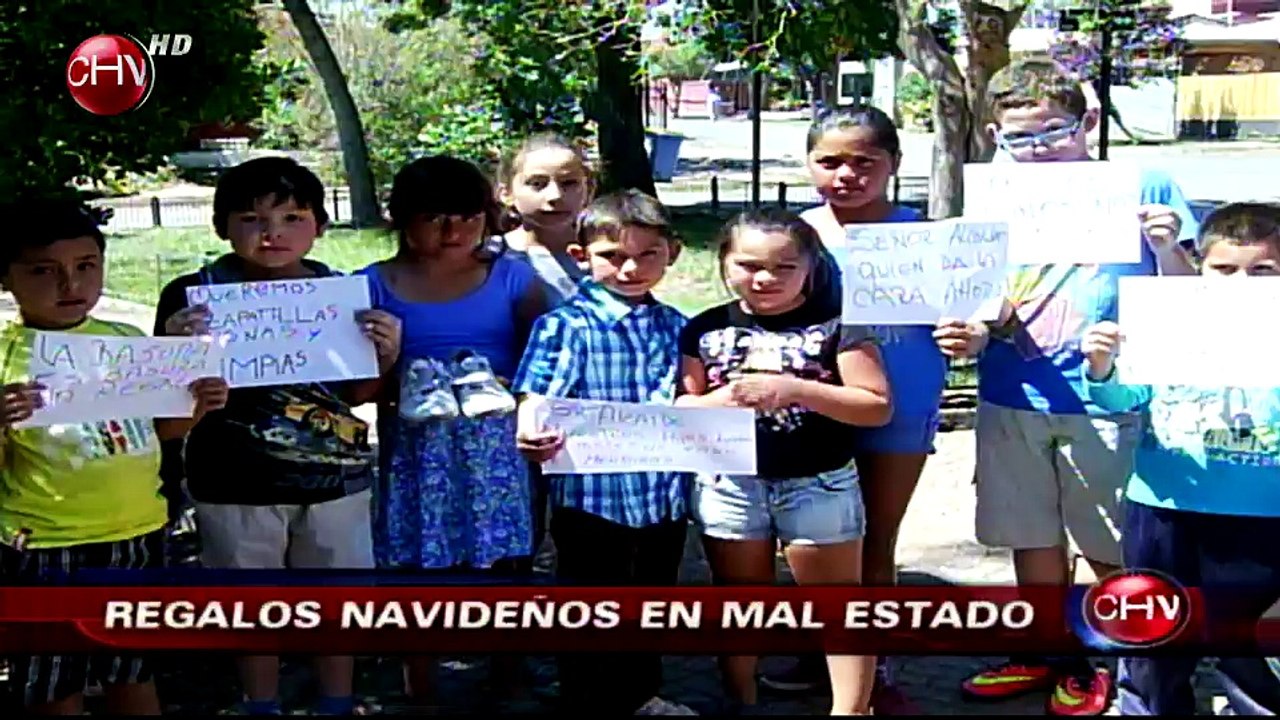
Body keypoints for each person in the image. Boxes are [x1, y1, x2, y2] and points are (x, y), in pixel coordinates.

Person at [937, 59, 1199, 716]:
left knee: (1113, 544)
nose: (1037, 151)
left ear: (1085, 123)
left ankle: (1119, 659)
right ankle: (1048, 650)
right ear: (997, 136)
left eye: (1052, 132)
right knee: (1031, 537)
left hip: (1109, 400)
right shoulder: (994, 194)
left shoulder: (1147, 183)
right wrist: (973, 331)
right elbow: (984, 295)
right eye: (1017, 139)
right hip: (1010, 395)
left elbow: (1194, 293)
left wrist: (1168, 248)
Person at [154, 157, 398, 716]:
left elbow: (360, 393)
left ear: (320, 225)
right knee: (249, 602)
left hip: (335, 478)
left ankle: (337, 698)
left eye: (292, 216)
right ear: (220, 226)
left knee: (336, 600)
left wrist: (385, 352)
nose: (272, 233)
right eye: (250, 218)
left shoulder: (342, 292)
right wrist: (172, 349)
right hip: (232, 479)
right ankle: (258, 701)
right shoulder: (193, 293)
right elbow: (164, 398)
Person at [0, 198, 229, 715]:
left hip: (139, 533)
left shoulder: (127, 342)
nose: (70, 285)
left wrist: (198, 405)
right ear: (7, 279)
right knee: (54, 680)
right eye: (44, 271)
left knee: (133, 666)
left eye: (85, 268)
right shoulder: (5, 356)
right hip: (46, 544)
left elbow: (162, 431)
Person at [761, 106, 947, 714]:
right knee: (813, 539)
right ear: (808, 164)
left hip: (904, 400)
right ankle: (823, 651)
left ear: (894, 164)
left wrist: (967, 330)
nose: (847, 174)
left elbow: (970, 312)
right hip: (814, 405)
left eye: (865, 162)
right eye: (831, 162)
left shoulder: (926, 235)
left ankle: (875, 665)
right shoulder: (792, 234)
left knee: (875, 539)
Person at [678, 209, 892, 716]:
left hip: (819, 482)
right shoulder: (703, 329)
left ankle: (850, 711)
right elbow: (681, 411)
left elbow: (876, 406)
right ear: (724, 264)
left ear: (811, 268)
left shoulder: (840, 327)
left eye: (784, 266)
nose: (765, 278)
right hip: (729, 483)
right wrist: (728, 397)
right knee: (740, 599)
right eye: (749, 265)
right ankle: (742, 700)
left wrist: (796, 390)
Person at [358, 155, 549, 706]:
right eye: (435, 218)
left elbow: (544, 362)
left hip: (497, 450)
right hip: (415, 449)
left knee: (507, 561)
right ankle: (420, 683)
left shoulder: (514, 277)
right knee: (414, 560)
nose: (454, 232)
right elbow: (357, 384)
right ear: (401, 218)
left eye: (468, 217)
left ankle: (509, 676)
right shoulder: (371, 284)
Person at [1080, 202, 1280, 716]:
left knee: (1251, 643)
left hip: (1263, 518)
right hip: (1164, 509)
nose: (1241, 284)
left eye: (1263, 271)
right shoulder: (1169, 321)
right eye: (1224, 269)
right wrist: (1101, 368)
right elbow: (1123, 399)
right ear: (1199, 268)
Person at [512, 190, 696, 716]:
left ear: (673, 254)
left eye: (647, 255)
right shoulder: (565, 326)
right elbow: (538, 396)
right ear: (581, 257)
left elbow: (693, 396)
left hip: (662, 496)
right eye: (613, 256)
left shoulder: (679, 326)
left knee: (653, 602)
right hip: (591, 498)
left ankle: (641, 696)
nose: (631, 268)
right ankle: (588, 701)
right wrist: (530, 428)